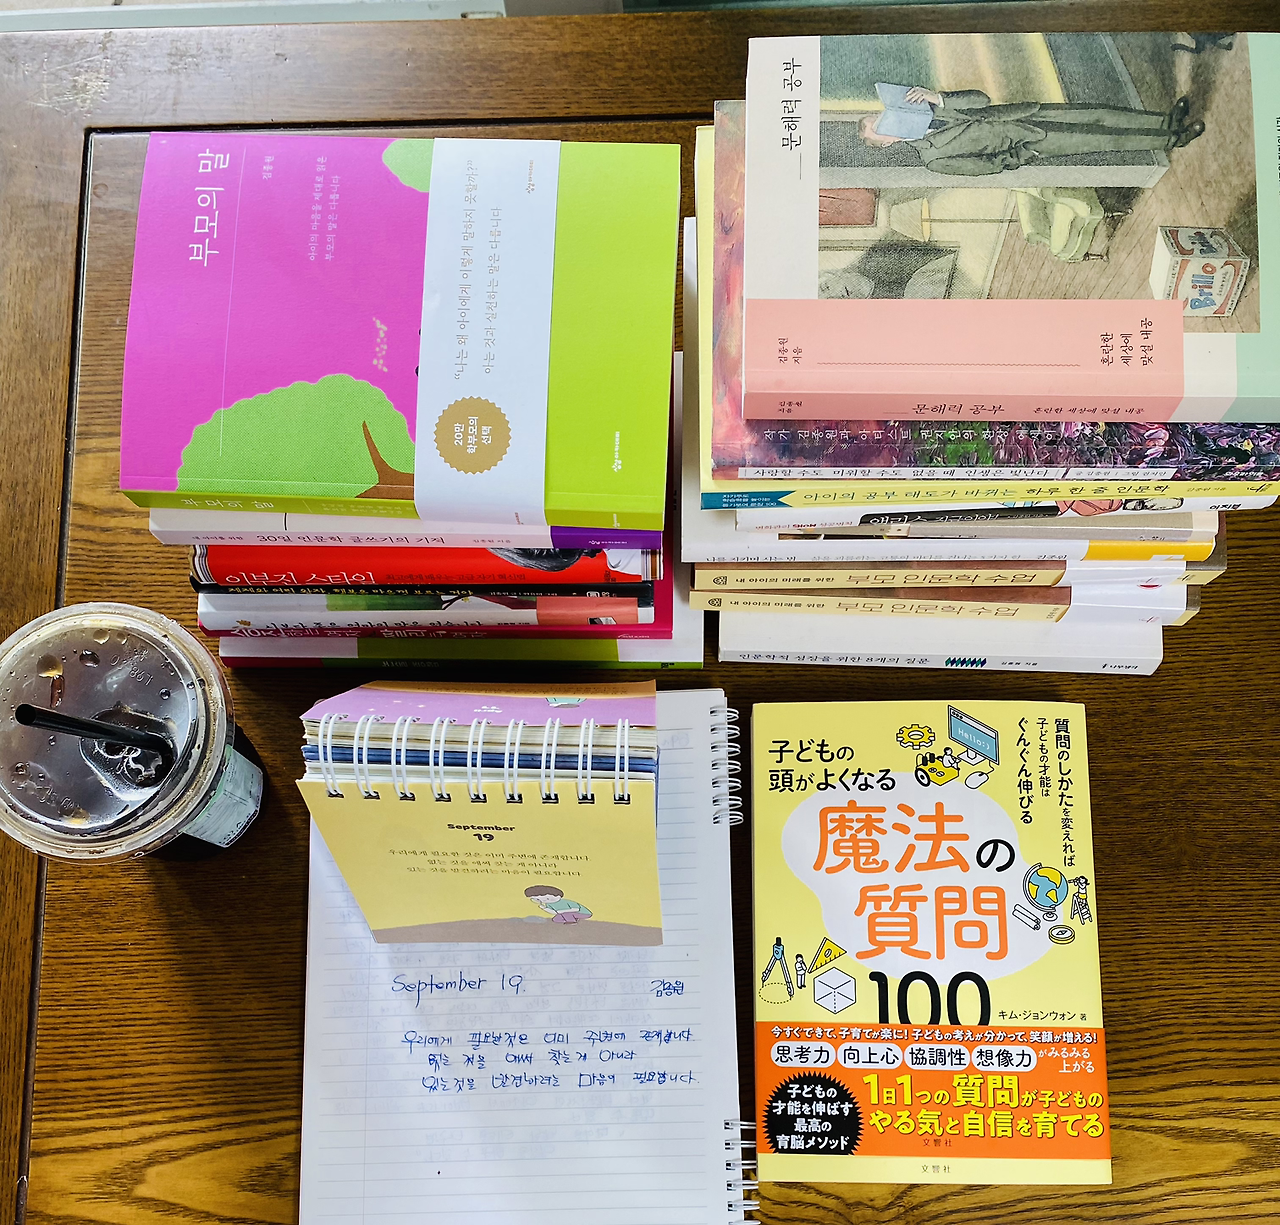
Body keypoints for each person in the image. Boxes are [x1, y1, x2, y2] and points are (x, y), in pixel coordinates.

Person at [857, 87, 1203, 176]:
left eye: (881, 117)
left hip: (1029, 112)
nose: (885, 122)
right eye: (879, 129)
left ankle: (1165, 121)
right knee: (1106, 139)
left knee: (1100, 114)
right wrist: (1027, 151)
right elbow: (991, 165)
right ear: (887, 144)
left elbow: (982, 99)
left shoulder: (932, 106)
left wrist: (938, 97)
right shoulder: (933, 160)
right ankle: (1176, 138)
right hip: (1035, 141)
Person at [524, 884, 593, 924]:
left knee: (566, 913)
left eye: (547, 898)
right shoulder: (548, 904)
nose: (545, 900)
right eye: (539, 899)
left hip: (583, 913)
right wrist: (544, 908)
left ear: (558, 896)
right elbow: (553, 912)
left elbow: (576, 909)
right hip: (565, 914)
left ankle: (572, 921)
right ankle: (574, 919)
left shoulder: (565, 902)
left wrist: (561, 911)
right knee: (556, 920)